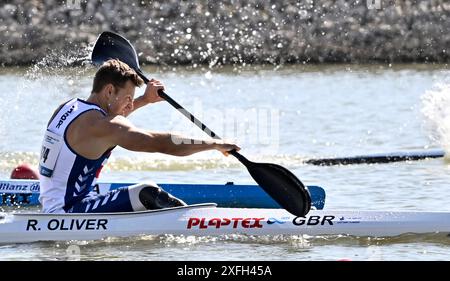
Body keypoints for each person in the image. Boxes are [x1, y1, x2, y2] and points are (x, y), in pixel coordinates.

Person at [38, 59, 240, 213]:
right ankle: (197, 224)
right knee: (147, 192)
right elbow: (162, 143)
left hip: (55, 206)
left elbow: (107, 125)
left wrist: (145, 99)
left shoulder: (68, 108)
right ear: (109, 91)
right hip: (69, 213)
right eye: (128, 99)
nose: (129, 105)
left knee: (138, 194)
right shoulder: (103, 125)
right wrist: (215, 144)